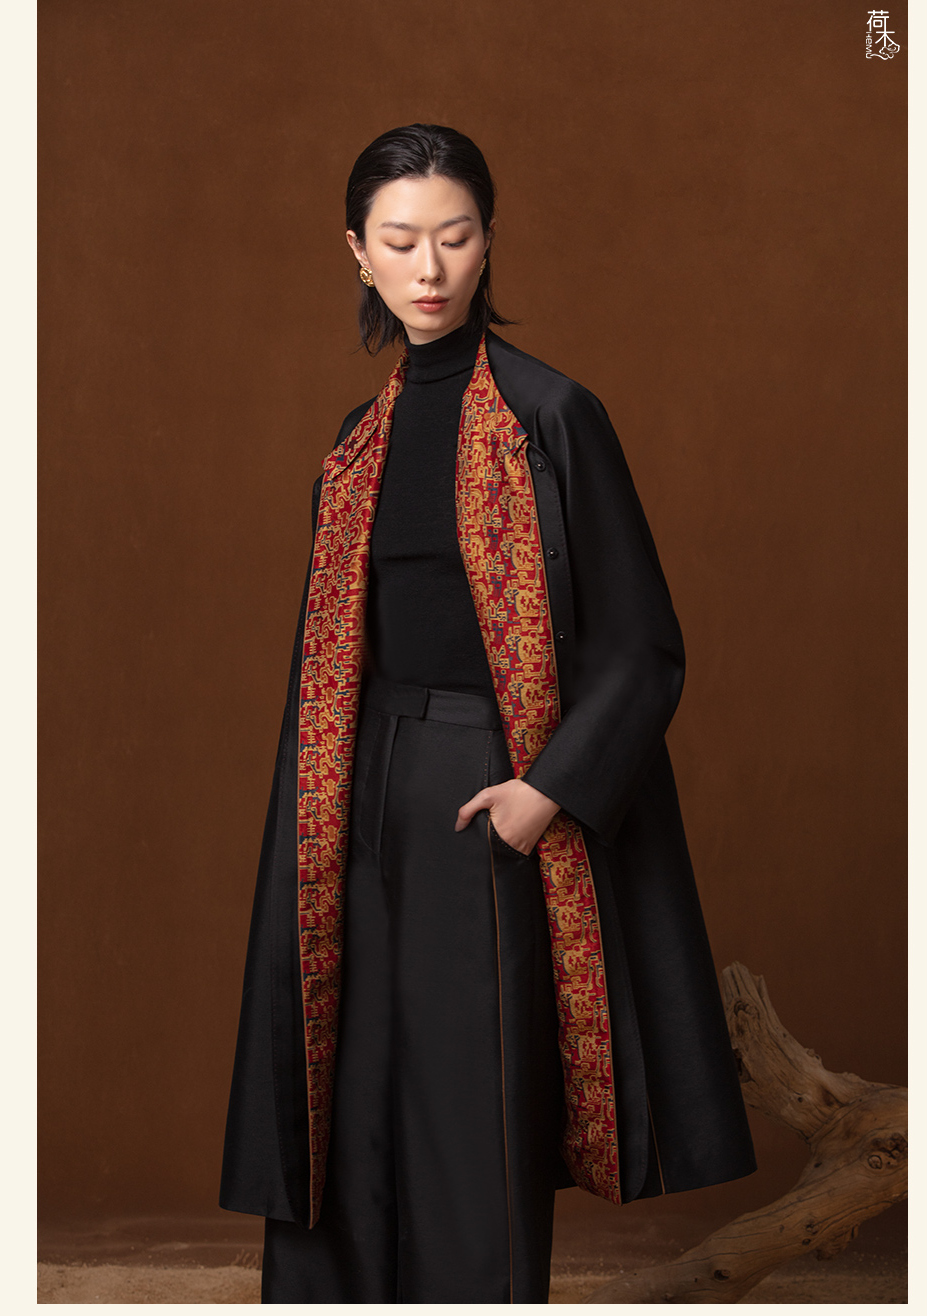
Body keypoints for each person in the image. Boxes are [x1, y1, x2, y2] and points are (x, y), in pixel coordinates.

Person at [219, 123, 756, 1305]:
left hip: (491, 784)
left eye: (454, 237)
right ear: (357, 251)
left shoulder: (551, 418)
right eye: (401, 240)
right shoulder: (355, 445)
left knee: (471, 1102)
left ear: (489, 241)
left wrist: (544, 791)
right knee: (345, 1085)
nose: (429, 268)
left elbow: (644, 643)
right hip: (351, 790)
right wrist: (331, 802)